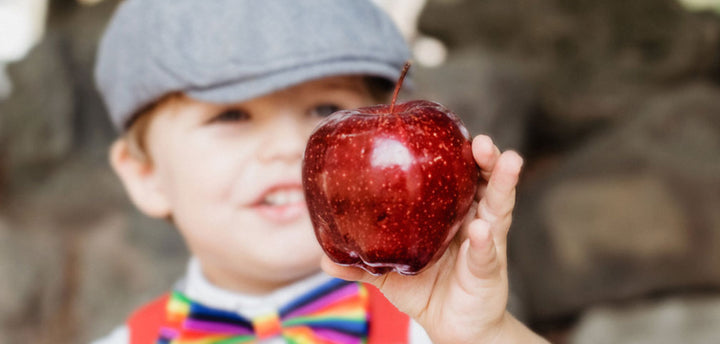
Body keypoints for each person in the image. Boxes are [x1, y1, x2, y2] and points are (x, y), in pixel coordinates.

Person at [92, 0, 549, 343]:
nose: (291, 147)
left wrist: (485, 334)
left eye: (326, 109)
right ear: (145, 175)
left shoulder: (429, 329)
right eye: (231, 116)